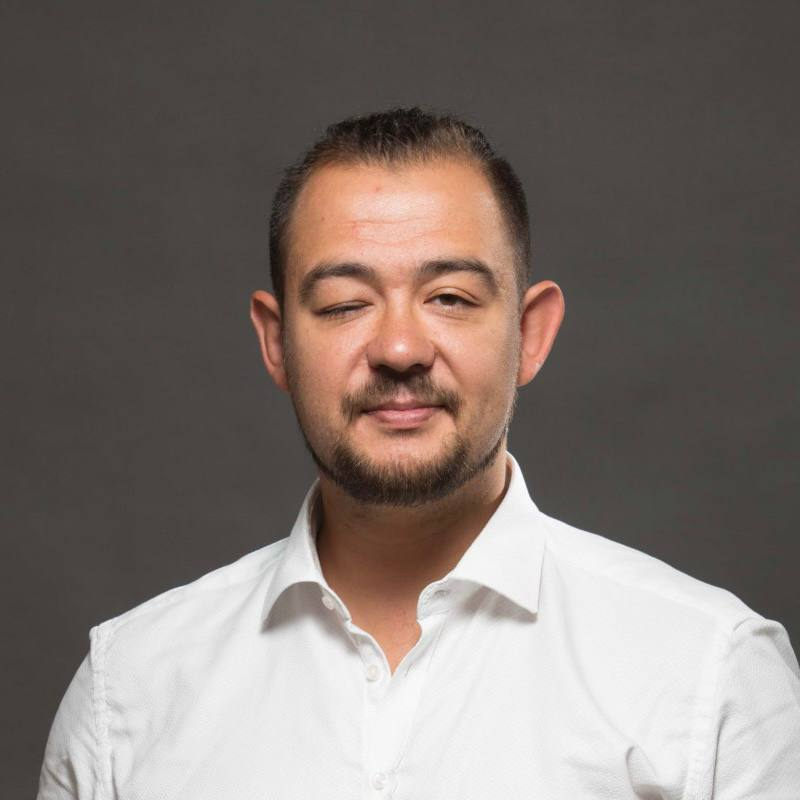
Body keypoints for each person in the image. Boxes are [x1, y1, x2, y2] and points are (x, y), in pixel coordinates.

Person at [37, 107, 800, 799]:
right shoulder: (127, 693)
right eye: (345, 304)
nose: (400, 348)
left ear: (530, 334)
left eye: (450, 298)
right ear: (276, 343)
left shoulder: (713, 679)